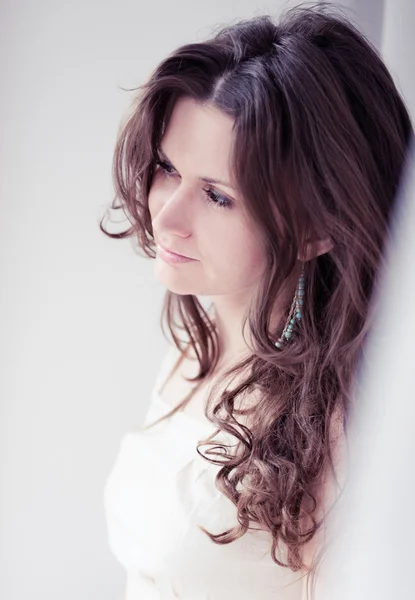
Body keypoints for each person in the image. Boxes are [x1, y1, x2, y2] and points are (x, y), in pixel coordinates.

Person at [101, 3, 414, 599]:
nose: (166, 218)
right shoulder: (195, 341)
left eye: (217, 196)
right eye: (168, 168)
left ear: (316, 228)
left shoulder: (344, 426)